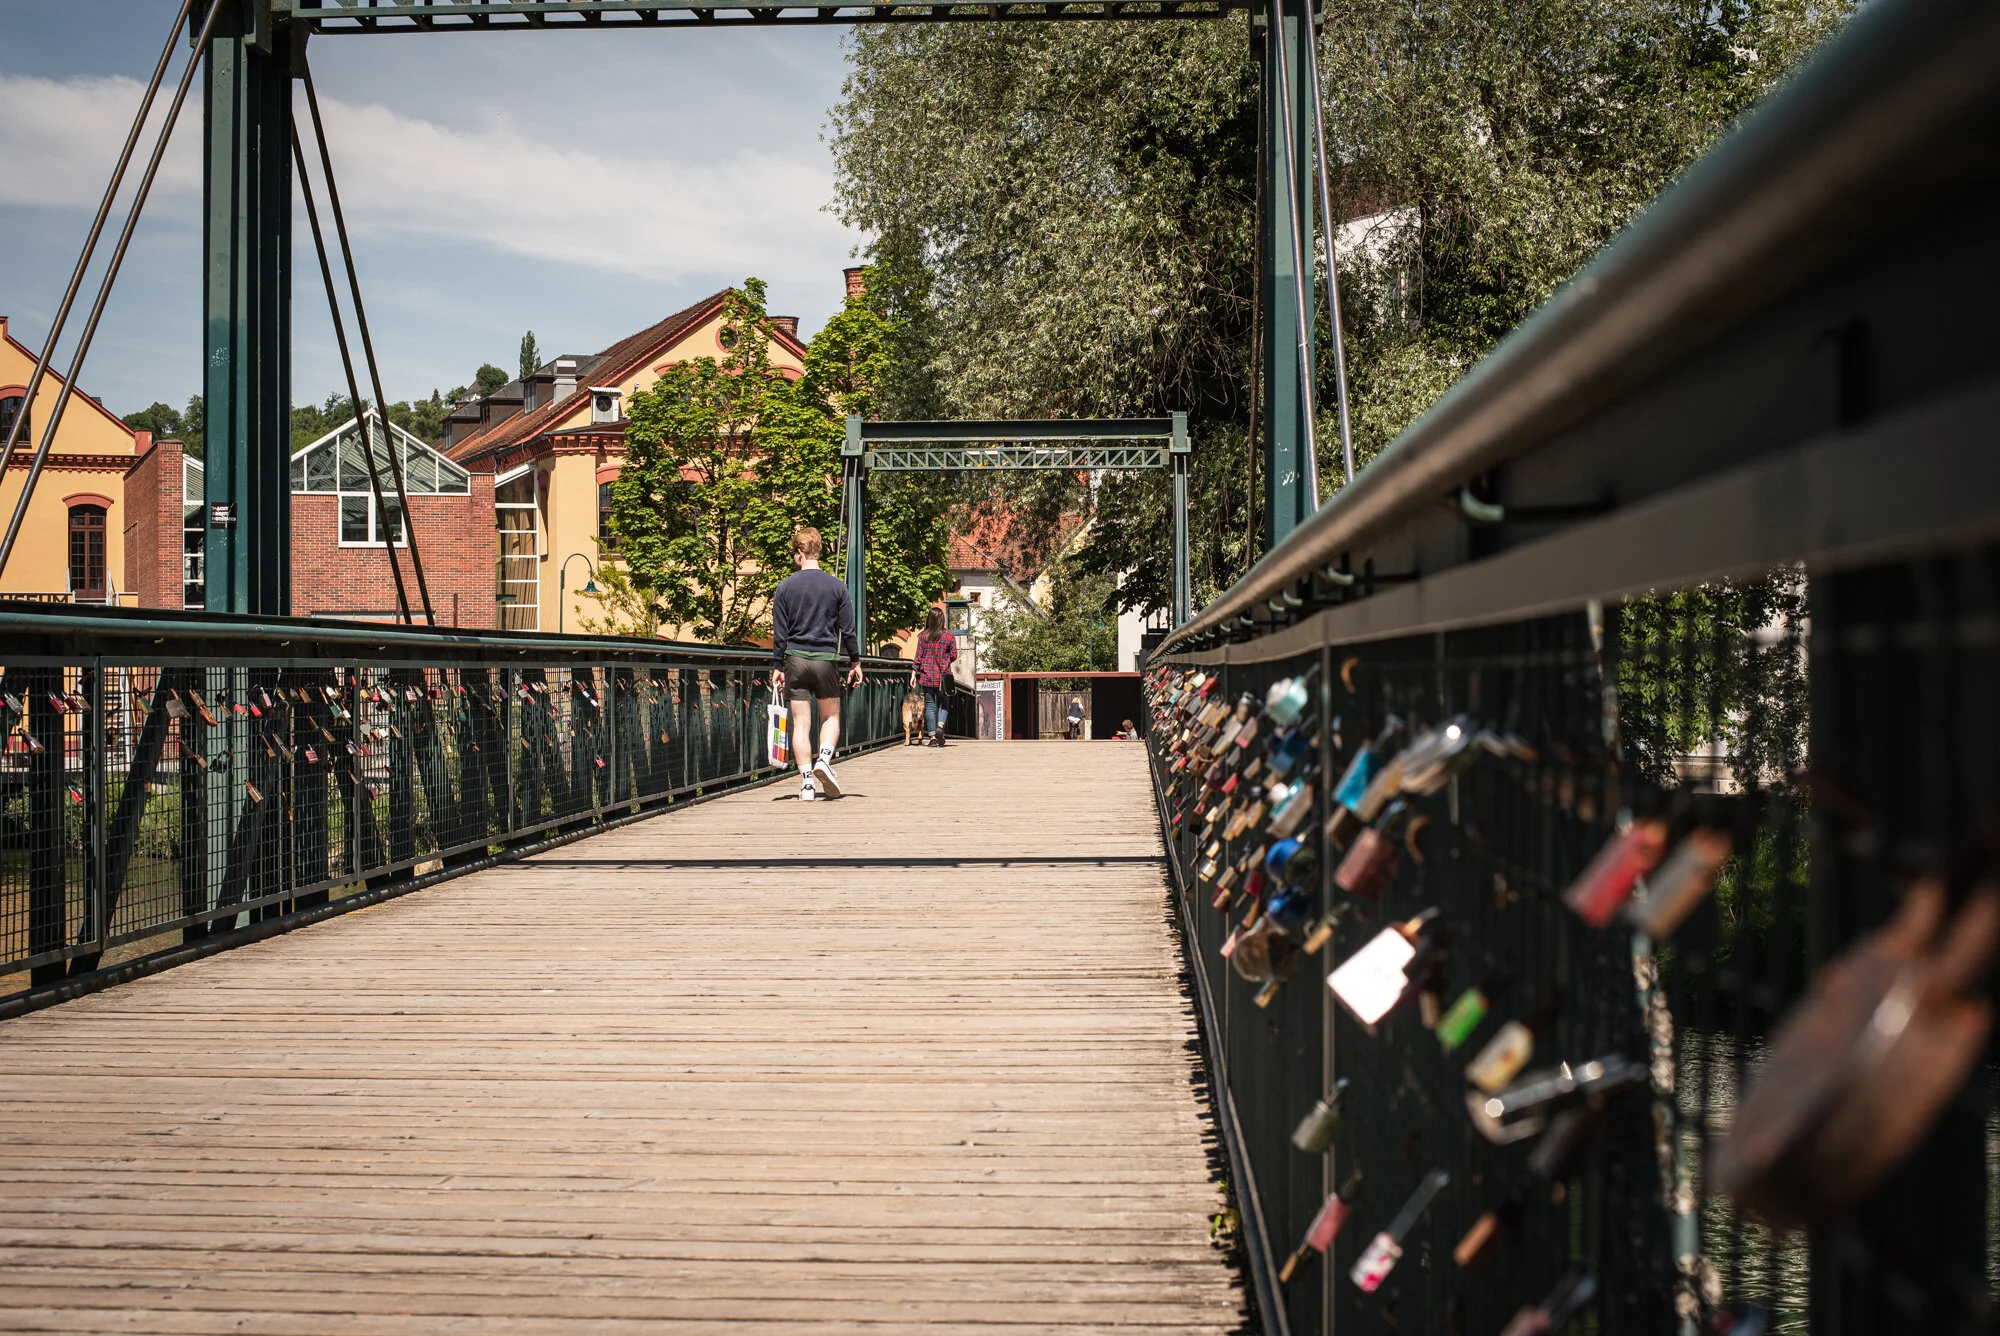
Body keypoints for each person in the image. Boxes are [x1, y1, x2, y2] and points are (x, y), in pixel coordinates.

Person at [771, 527, 862, 801]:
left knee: (801, 723)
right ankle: (824, 758)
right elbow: (848, 630)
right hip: (826, 661)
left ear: (799, 553)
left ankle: (807, 784)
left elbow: (779, 634)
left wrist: (778, 666)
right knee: (831, 717)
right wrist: (855, 662)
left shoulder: (785, 587)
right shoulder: (837, 587)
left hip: (795, 660)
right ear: (818, 551)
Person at [910, 606, 958, 748]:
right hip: (943, 677)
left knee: (930, 706)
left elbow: (918, 657)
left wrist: (914, 673)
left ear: (929, 620)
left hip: (927, 676)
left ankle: (932, 737)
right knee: (944, 703)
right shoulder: (949, 635)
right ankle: (940, 726)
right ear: (942, 619)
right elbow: (954, 655)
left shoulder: (923, 636)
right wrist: (946, 660)